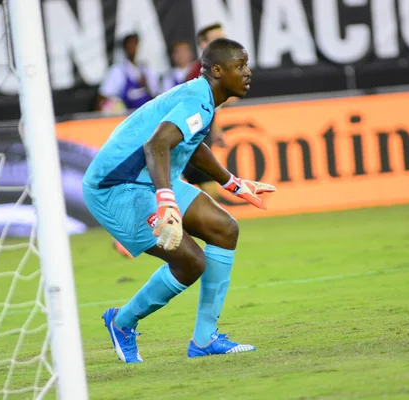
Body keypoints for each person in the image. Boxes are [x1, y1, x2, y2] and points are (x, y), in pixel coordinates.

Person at [82, 38, 276, 363]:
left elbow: (192, 143)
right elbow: (156, 145)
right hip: (118, 187)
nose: (247, 72)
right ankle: (122, 322)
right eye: (239, 66)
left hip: (152, 178)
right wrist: (166, 202)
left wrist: (232, 183)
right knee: (191, 262)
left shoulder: (202, 98)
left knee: (224, 228)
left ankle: (204, 340)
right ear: (217, 71)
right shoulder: (197, 100)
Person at [182, 23, 237, 201]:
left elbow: (209, 106)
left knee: (209, 190)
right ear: (205, 45)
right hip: (187, 138)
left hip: (201, 136)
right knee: (197, 189)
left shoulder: (217, 70)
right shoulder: (197, 73)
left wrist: (215, 128)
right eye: (217, 39)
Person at [96, 33, 160, 113]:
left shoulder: (146, 70)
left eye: (134, 44)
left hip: (146, 116)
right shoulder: (117, 70)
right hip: (126, 119)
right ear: (124, 48)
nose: (132, 48)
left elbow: (156, 97)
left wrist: (146, 86)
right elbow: (102, 97)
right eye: (129, 45)